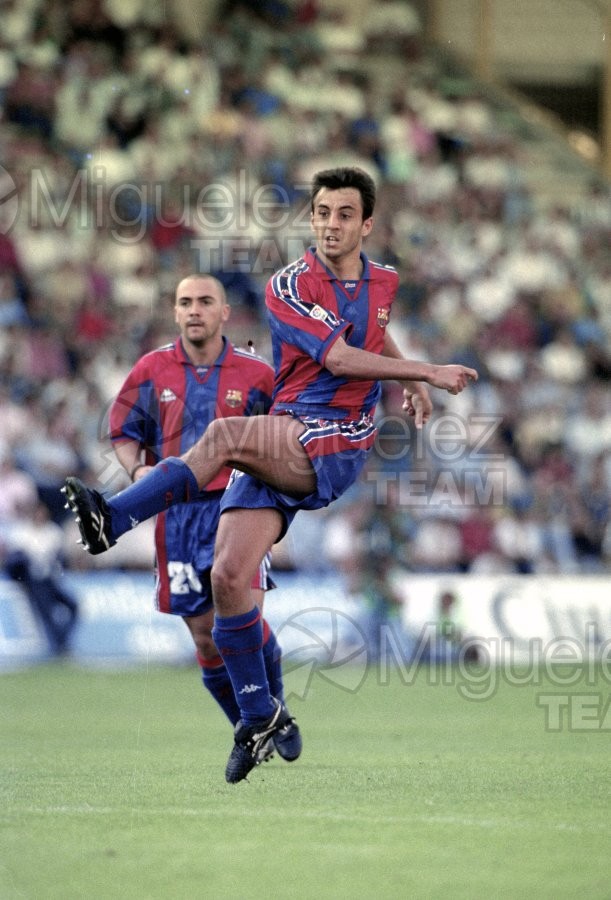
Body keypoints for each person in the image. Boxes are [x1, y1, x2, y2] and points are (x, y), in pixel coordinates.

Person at [63, 166, 478, 783]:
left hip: (336, 438)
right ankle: (260, 716)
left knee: (226, 437)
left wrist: (412, 380)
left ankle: (115, 517)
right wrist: (424, 375)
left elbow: (373, 334)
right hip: (288, 430)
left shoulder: (384, 279)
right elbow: (335, 354)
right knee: (227, 577)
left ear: (366, 224)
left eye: (343, 214)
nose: (330, 225)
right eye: (321, 213)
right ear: (310, 219)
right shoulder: (289, 285)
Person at [107, 273, 301, 765]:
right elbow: (123, 428)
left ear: (224, 313)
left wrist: (274, 507)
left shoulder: (256, 373)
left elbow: (281, 439)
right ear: (175, 312)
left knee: (242, 615)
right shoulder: (152, 368)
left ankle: (272, 714)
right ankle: (250, 724)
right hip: (175, 515)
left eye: (205, 301)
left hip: (237, 505)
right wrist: (138, 467)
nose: (195, 310)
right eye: (185, 302)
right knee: (203, 635)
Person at [3, 499, 79, 657]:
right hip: (32, 580)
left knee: (72, 606)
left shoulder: (53, 532)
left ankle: (62, 641)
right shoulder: (21, 532)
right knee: (46, 612)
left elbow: (59, 559)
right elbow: (15, 561)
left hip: (50, 579)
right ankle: (59, 647)